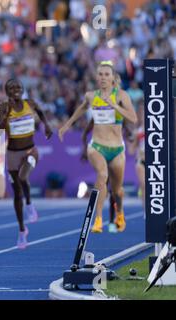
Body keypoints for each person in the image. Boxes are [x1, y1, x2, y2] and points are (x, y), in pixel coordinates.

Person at [59, 61, 137, 233]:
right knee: (102, 176)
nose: (103, 77)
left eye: (106, 74)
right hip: (97, 146)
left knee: (117, 190)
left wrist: (115, 105)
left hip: (117, 149)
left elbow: (133, 118)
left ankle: (120, 212)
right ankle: (98, 219)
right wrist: (66, 126)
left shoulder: (121, 95)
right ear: (96, 77)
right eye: (100, 74)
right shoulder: (91, 96)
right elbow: (80, 109)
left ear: (112, 78)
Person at [0, 78, 53, 248]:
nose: (15, 89)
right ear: (7, 91)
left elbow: (41, 112)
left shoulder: (30, 103)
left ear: (22, 89)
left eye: (18, 87)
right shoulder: (5, 107)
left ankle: (29, 203)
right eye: (11, 87)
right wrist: (5, 116)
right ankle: (22, 230)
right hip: (13, 154)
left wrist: (47, 126)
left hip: (30, 150)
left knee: (23, 177)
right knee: (16, 194)